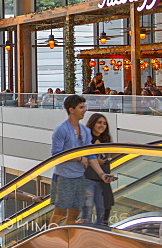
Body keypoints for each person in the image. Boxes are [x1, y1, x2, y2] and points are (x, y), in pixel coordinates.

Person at [48, 95, 115, 227]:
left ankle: (68, 240)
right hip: (64, 177)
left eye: (84, 107)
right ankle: (50, 239)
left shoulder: (85, 131)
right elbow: (56, 154)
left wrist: (102, 174)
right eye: (81, 107)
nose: (84, 110)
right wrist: (79, 158)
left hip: (79, 177)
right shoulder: (61, 130)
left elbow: (90, 155)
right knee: (59, 212)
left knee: (74, 214)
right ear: (71, 110)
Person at [80, 113, 114, 226]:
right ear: (93, 123)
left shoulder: (105, 139)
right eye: (99, 122)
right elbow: (82, 158)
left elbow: (109, 155)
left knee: (102, 211)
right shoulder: (86, 138)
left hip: (103, 179)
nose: (102, 125)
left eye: (104, 123)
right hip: (88, 178)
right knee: (87, 212)